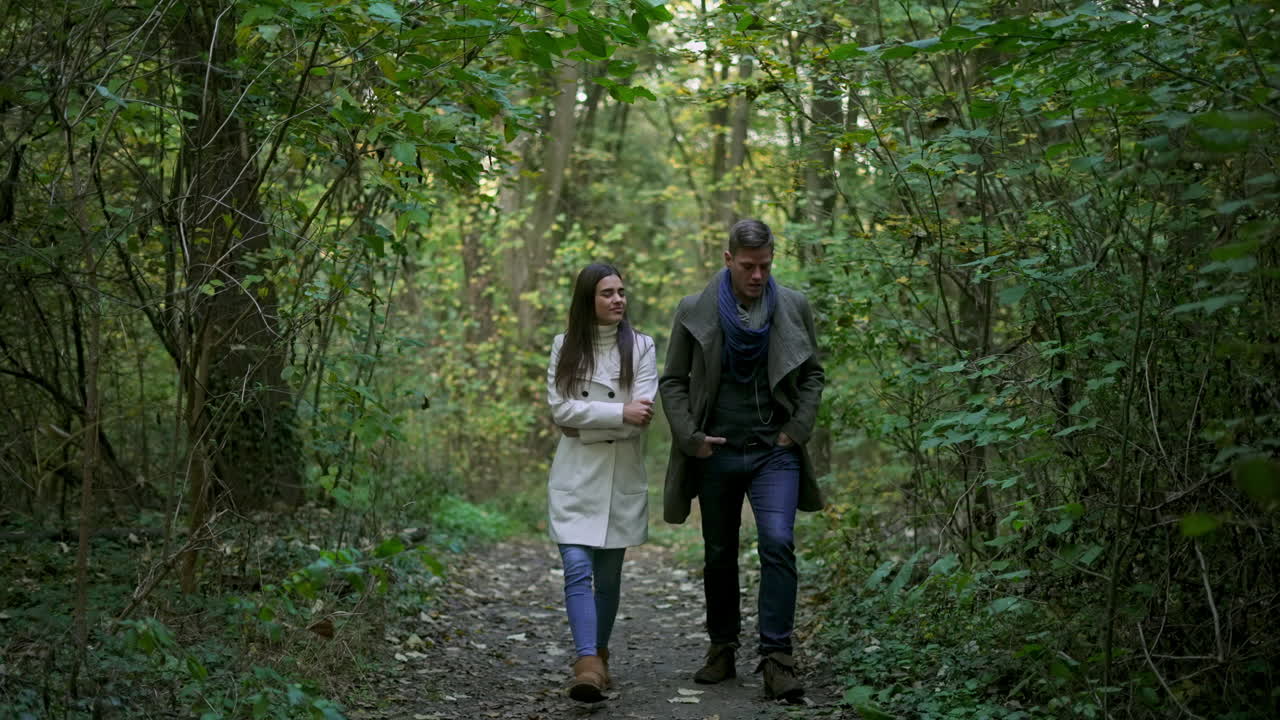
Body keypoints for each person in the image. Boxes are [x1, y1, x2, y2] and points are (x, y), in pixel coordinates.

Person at [659, 219, 825, 702]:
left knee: (777, 542)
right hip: (717, 451)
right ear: (728, 259)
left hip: (775, 451)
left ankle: (777, 658)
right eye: (749, 266)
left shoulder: (792, 305)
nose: (758, 275)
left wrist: (797, 430)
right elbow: (672, 381)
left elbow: (813, 374)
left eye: (766, 266)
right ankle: (722, 648)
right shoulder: (695, 309)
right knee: (718, 552)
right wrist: (692, 438)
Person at [546, 262, 658, 703]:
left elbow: (641, 417)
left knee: (608, 579)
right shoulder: (564, 346)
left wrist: (591, 421)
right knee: (577, 568)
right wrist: (617, 414)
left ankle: (601, 656)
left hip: (620, 476)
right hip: (575, 476)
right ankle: (587, 661)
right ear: (587, 299)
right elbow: (560, 410)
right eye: (607, 293)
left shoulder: (642, 347)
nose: (618, 300)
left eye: (621, 292)